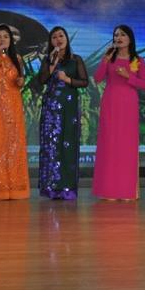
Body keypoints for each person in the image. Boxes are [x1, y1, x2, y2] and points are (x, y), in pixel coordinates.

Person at [92, 25, 145, 200]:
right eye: (116, 35)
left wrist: (128, 76)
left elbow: (144, 84)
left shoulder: (138, 60)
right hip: (110, 103)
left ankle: (125, 189)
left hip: (129, 105)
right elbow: (97, 78)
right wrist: (105, 60)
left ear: (130, 39)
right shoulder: (109, 58)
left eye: (122, 35)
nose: (118, 38)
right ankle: (109, 189)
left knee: (126, 146)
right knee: (110, 144)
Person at [38, 26, 89, 200]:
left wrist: (67, 79)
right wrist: (52, 64)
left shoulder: (76, 59)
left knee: (68, 144)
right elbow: (42, 80)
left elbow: (84, 82)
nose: (58, 40)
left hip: (69, 107)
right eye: (54, 37)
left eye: (61, 36)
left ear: (66, 39)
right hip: (51, 108)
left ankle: (68, 188)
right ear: (50, 42)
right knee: (51, 145)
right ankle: (51, 187)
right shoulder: (48, 59)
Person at [0, 24, 29, 200]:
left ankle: (16, 188)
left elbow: (19, 80)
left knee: (14, 144)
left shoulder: (17, 58)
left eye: (5, 37)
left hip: (13, 104)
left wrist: (21, 82)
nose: (2, 40)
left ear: (11, 40)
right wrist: (0, 56)